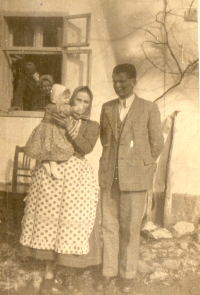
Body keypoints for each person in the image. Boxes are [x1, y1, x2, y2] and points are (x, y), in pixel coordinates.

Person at [19, 86, 101, 294]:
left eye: (85, 102)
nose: (80, 106)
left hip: (76, 176)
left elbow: (85, 148)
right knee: (50, 222)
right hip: (52, 176)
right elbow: (45, 137)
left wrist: (70, 127)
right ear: (69, 101)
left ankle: (69, 274)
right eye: (78, 100)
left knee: (72, 225)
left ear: (90, 106)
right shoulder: (58, 115)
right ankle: (48, 273)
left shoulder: (92, 125)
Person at [94, 64, 164, 293]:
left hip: (135, 180)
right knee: (109, 226)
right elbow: (106, 140)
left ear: (134, 81)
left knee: (131, 228)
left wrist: (140, 166)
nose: (118, 85)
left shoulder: (148, 108)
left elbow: (157, 144)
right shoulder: (107, 108)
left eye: (123, 81)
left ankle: (127, 274)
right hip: (110, 177)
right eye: (115, 81)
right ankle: (109, 271)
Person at [24, 83, 81, 179]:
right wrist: (73, 109)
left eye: (68, 98)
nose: (67, 100)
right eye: (65, 98)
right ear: (57, 98)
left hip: (48, 131)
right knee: (52, 151)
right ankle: (53, 169)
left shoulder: (52, 106)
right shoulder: (53, 106)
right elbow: (63, 110)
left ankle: (47, 166)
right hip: (49, 131)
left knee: (48, 152)